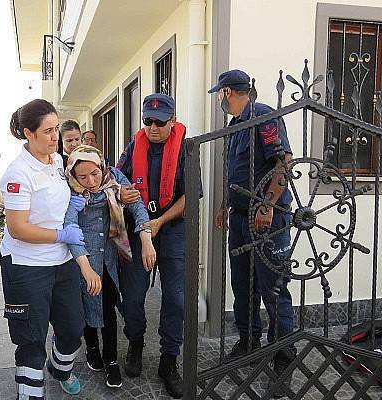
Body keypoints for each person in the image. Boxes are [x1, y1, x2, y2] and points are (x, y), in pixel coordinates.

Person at [209, 70, 296, 396]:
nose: (219, 99)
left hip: (267, 220)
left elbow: (283, 163)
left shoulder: (263, 116)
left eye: (219, 93)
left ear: (228, 91)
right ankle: (248, 341)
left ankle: (284, 356)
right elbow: (237, 171)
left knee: (273, 288)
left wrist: (268, 205)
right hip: (241, 217)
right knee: (243, 283)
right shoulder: (235, 126)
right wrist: (224, 205)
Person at [0, 99, 87, 399]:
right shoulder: (17, 173)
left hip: (61, 262)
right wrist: (61, 234)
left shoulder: (59, 162)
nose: (55, 137)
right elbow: (17, 228)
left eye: (56, 130)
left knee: (73, 328)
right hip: (26, 265)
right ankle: (30, 394)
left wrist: (77, 202)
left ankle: (60, 370)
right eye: (47, 131)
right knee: (31, 340)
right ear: (28, 133)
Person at [116, 93, 192, 399]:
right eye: (148, 121)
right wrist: (121, 192)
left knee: (175, 298)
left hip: (171, 227)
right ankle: (135, 340)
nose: (153, 127)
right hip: (138, 228)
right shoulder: (134, 146)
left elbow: (190, 197)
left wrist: (159, 223)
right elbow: (115, 179)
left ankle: (169, 359)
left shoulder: (186, 149)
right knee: (132, 295)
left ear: (172, 121)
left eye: (160, 122)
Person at [64, 144, 156, 389]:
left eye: (94, 173)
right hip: (83, 258)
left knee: (108, 307)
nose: (91, 181)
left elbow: (136, 205)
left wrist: (146, 239)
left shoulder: (113, 178)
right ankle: (92, 347)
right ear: (72, 175)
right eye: (82, 177)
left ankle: (111, 360)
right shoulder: (69, 192)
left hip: (109, 257)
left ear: (101, 167)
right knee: (86, 305)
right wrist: (85, 267)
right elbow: (70, 227)